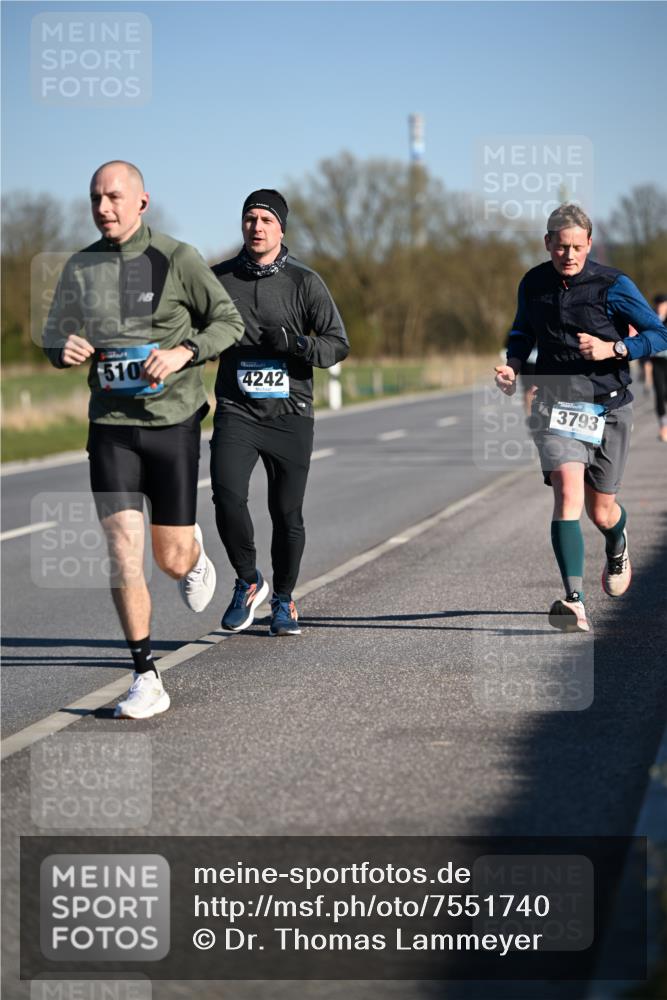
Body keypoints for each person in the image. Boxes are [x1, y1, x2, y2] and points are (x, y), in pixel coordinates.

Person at [43, 160, 244, 717]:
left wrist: (184, 352)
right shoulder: (81, 266)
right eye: (94, 199)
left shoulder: (178, 259)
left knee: (171, 558)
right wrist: (64, 350)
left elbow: (227, 322)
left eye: (112, 197)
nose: (102, 208)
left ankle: (194, 554)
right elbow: (54, 336)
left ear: (141, 202)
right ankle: (145, 674)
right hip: (110, 427)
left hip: (172, 423)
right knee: (122, 553)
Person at [495, 203, 667, 633]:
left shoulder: (614, 285)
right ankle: (574, 601)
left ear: (589, 244)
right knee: (567, 492)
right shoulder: (533, 283)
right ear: (547, 243)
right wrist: (514, 365)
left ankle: (617, 541)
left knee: (601, 511)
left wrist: (617, 350)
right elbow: (522, 330)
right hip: (557, 405)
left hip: (609, 407)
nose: (569, 255)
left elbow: (660, 333)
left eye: (577, 247)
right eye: (560, 247)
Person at [211, 189, 349, 636]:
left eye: (266, 220)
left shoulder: (304, 282)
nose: (256, 227)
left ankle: (285, 600)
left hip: (291, 412)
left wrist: (298, 344)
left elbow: (337, 343)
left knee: (287, 513)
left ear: (281, 229)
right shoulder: (218, 280)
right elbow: (187, 331)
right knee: (227, 495)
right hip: (237, 409)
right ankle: (249, 580)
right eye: (250, 219)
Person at [645, 294, 667, 443]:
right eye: (658, 304)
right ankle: (663, 426)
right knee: (660, 393)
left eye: (663, 304)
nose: (660, 307)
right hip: (657, 362)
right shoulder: (651, 319)